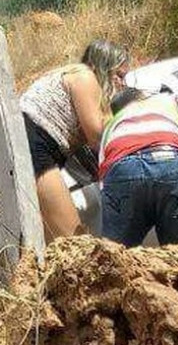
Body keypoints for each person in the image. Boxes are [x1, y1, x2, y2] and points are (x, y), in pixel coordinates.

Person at [20, 39, 129, 241]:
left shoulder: (73, 74)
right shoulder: (85, 77)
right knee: (76, 242)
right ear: (102, 67)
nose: (123, 83)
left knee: (49, 243)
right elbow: (98, 135)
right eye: (119, 75)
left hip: (35, 145)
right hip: (35, 145)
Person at [99, 87, 178, 247]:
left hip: (122, 168)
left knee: (113, 258)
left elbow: (106, 181)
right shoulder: (165, 102)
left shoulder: (111, 127)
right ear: (144, 96)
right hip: (170, 161)